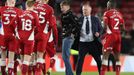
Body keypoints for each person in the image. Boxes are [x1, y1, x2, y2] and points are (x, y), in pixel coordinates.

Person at [76, 1, 102, 75]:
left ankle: (101, 73)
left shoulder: (95, 19)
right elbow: (75, 30)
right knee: (80, 60)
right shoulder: (79, 20)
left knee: (98, 60)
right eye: (83, 10)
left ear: (90, 10)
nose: (84, 11)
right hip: (82, 43)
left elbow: (101, 29)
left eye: (86, 10)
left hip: (93, 42)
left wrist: (99, 33)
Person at [100, 0, 125, 75]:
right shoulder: (120, 14)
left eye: (107, 5)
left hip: (111, 35)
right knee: (117, 57)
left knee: (105, 55)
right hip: (118, 36)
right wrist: (117, 31)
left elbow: (104, 26)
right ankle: (117, 73)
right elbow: (123, 28)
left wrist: (102, 24)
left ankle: (102, 73)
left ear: (109, 6)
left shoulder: (106, 13)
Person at [33, 0, 58, 74]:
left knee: (36, 56)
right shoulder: (50, 12)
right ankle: (49, 69)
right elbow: (54, 29)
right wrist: (56, 41)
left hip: (33, 34)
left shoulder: (34, 7)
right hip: (46, 37)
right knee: (51, 56)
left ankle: (39, 72)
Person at [0, 0, 22, 75]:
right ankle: (10, 72)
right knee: (11, 57)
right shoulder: (18, 11)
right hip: (13, 36)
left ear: (7, 3)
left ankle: (3, 73)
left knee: (3, 56)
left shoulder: (2, 9)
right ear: (14, 3)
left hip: (3, 35)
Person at [60, 1, 79, 75]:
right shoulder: (62, 15)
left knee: (65, 57)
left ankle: (70, 73)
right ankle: (68, 73)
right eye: (61, 7)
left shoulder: (71, 15)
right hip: (65, 37)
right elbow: (64, 26)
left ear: (68, 7)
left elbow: (77, 26)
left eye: (63, 6)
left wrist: (72, 33)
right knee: (65, 57)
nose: (61, 8)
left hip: (69, 37)